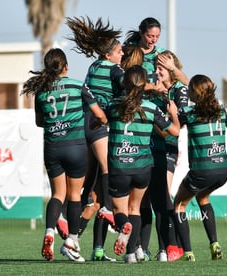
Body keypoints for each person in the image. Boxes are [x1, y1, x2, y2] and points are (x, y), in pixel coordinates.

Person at [21, 48, 107, 262]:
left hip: (52, 148)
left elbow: (39, 122)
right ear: (66, 66)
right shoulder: (79, 85)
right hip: (75, 147)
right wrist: (97, 122)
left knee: (57, 194)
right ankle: (71, 240)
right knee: (75, 195)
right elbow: (100, 116)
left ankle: (49, 231)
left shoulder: (41, 91)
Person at [105, 65, 180, 264]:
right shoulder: (150, 107)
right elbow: (174, 131)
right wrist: (173, 113)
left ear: (125, 83)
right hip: (143, 167)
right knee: (135, 209)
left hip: (119, 165)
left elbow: (99, 121)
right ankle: (130, 254)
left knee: (119, 211)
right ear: (143, 85)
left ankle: (124, 232)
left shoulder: (113, 105)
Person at [64, 16, 124, 261]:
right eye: (120, 51)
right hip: (98, 122)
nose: (122, 54)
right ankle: (110, 210)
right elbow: (129, 88)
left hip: (83, 122)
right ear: (109, 54)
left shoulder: (94, 66)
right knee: (108, 169)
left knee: (93, 193)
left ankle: (75, 240)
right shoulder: (115, 69)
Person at [173, 74, 227, 262]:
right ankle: (214, 243)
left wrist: (173, 111)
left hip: (203, 171)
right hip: (223, 170)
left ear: (195, 93)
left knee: (179, 205)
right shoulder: (221, 112)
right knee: (203, 197)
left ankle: (188, 253)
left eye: (190, 88)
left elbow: (174, 128)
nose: (188, 91)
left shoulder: (189, 113)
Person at [145, 50, 189, 262]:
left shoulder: (179, 89)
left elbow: (182, 118)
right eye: (155, 68)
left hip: (169, 147)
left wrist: (169, 116)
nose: (156, 72)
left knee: (163, 198)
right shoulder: (161, 91)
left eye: (160, 68)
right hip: (153, 148)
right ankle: (168, 247)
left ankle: (173, 247)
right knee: (157, 199)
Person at [124, 17, 189, 86]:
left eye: (157, 36)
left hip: (156, 95)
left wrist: (172, 67)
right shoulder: (128, 51)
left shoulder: (163, 54)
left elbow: (186, 82)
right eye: (150, 36)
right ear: (141, 33)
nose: (154, 40)